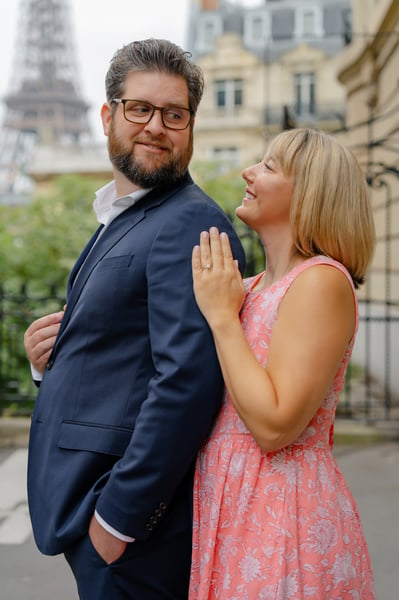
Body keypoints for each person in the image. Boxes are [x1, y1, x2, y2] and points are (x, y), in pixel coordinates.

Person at [23, 38, 245, 600]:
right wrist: (50, 362)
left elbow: (187, 383)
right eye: (140, 108)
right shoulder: (126, 217)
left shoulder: (188, 223)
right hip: (91, 509)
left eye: (174, 114)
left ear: (191, 126)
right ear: (107, 115)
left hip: (130, 530)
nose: (156, 127)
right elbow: (124, 358)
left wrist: (118, 521)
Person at [189, 128, 377, 599]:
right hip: (234, 506)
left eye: (269, 166)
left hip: (284, 514)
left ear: (309, 194)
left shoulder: (320, 282)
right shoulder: (248, 289)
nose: (248, 172)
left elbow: (275, 426)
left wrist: (220, 317)